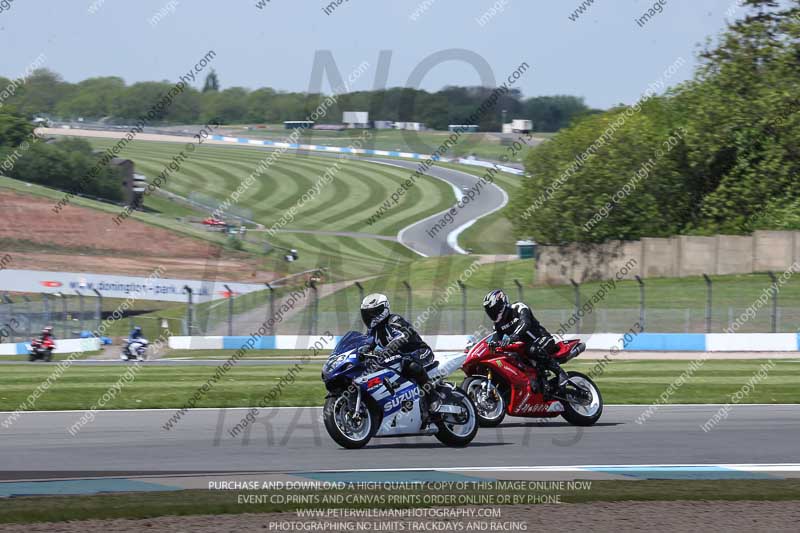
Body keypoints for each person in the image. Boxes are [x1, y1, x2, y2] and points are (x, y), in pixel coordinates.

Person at [359, 293, 440, 415]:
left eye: (373, 312)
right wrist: (361, 352)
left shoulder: (394, 320)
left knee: (410, 364)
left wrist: (386, 350)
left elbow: (402, 336)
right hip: (399, 358)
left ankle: (433, 398)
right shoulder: (373, 331)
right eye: (367, 313)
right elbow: (366, 344)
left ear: (383, 310)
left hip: (420, 352)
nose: (370, 317)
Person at [482, 289, 567, 396]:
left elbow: (525, 323)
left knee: (532, 349)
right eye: (490, 311)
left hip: (542, 339)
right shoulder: (498, 325)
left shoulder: (518, 307)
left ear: (502, 303)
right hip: (524, 347)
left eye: (494, 309)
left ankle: (560, 373)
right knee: (511, 357)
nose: (492, 313)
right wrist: (489, 345)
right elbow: (495, 338)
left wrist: (512, 337)